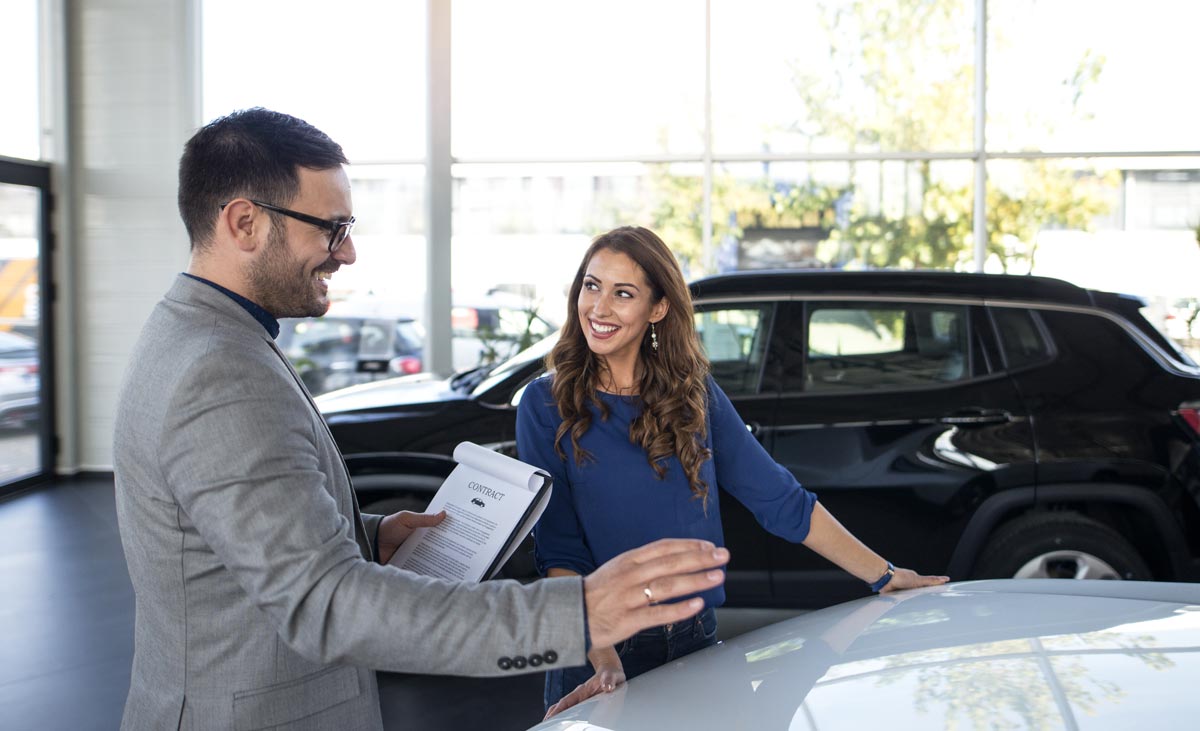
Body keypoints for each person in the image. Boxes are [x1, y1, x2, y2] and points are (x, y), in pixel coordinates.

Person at [112, 109, 730, 731]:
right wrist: (580, 616)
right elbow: (326, 605)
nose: (347, 251)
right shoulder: (221, 371)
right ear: (244, 222)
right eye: (330, 228)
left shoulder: (199, 333)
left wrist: (367, 534)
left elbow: (230, 540)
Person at [517, 226, 950, 719]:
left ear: (658, 309)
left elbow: (780, 500)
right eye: (591, 286)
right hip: (596, 651)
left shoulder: (692, 394)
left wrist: (886, 575)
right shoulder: (543, 404)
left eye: (623, 293)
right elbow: (559, 547)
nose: (599, 307)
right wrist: (603, 655)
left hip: (695, 640)